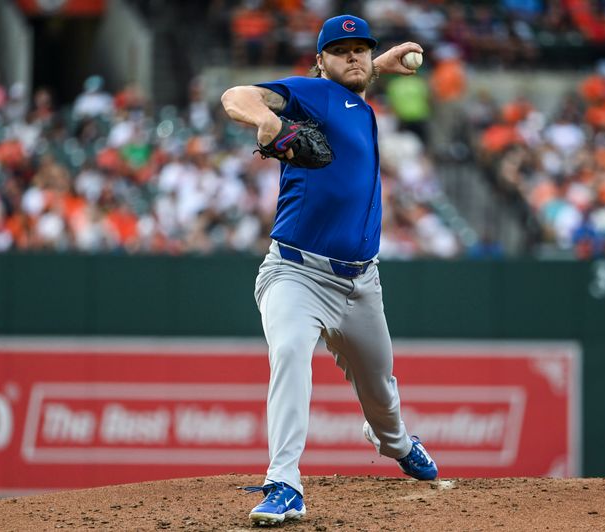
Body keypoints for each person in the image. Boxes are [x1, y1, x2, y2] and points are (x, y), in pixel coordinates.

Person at [221, 14, 438, 527]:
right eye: (341, 51)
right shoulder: (310, 94)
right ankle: (284, 483)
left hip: (362, 283)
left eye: (361, 48)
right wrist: (267, 121)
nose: (354, 56)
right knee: (292, 353)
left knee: (382, 394)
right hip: (296, 275)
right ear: (319, 60)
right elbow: (236, 95)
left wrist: (376, 67)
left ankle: (396, 442)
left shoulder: (358, 104)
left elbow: (352, 87)